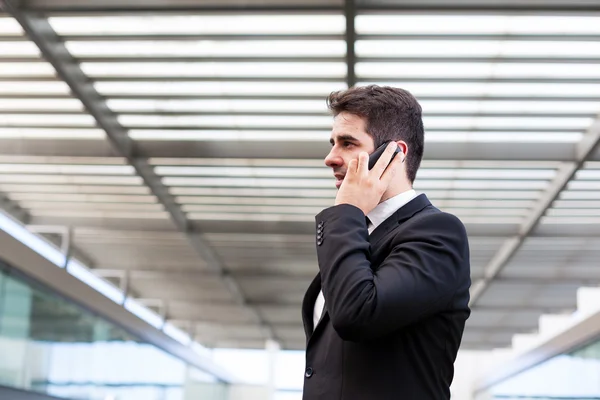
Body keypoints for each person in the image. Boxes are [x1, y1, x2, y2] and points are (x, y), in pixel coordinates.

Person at [301, 85, 471, 400]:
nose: (330, 158)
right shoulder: (357, 235)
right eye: (332, 143)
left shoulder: (438, 232)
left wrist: (347, 211)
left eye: (347, 143)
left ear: (395, 154)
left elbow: (357, 314)